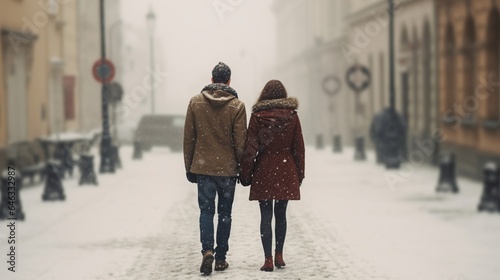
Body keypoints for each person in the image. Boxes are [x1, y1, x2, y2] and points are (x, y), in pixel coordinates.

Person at [183, 62, 247, 275]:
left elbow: (189, 139)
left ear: (211, 80)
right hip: (228, 170)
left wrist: (189, 166)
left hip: (203, 167)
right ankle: (221, 258)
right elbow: (241, 142)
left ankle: (207, 250)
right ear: (229, 81)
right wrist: (243, 168)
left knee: (206, 212)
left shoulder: (195, 103)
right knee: (225, 214)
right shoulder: (237, 106)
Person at [240, 80, 305, 272]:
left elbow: (251, 148)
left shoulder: (258, 116)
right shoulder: (292, 116)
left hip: (264, 168)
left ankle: (267, 258)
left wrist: (246, 173)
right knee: (281, 214)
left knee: (265, 215)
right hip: (286, 168)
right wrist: (299, 174)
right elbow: (298, 148)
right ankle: (279, 254)